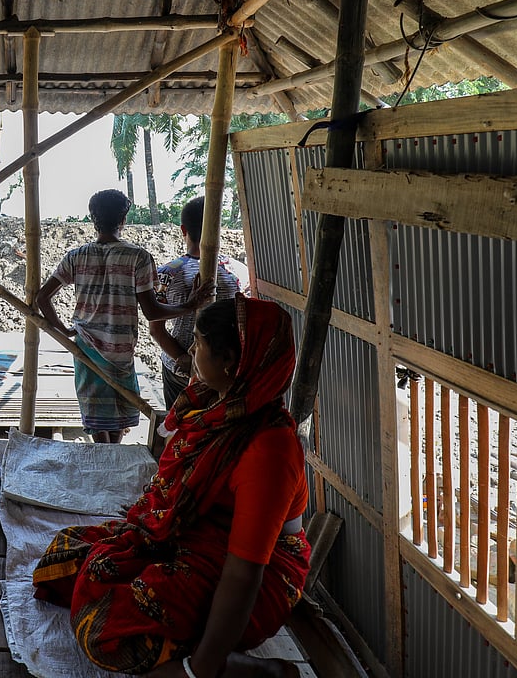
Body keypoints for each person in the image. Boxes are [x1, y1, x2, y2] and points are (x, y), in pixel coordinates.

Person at [32, 295, 310, 678]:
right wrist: (153, 525)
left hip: (256, 576)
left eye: (199, 344)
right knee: (66, 561)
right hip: (199, 537)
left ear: (229, 360)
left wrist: (200, 670)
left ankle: (246, 669)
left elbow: (244, 573)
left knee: (104, 631)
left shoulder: (269, 450)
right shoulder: (218, 404)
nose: (192, 353)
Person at [36, 189, 210, 444]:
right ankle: (112, 459)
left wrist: (63, 330)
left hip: (86, 349)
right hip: (119, 351)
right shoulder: (138, 257)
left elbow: (42, 298)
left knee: (97, 419)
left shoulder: (76, 256)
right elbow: (152, 311)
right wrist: (190, 305)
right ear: (124, 219)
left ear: (93, 219)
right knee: (118, 418)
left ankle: (106, 460)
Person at [150, 196, 248, 414]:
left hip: (179, 369)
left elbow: (156, 330)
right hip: (224, 368)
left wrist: (184, 358)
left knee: (179, 427)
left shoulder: (167, 274)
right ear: (217, 227)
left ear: (183, 229)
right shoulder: (237, 272)